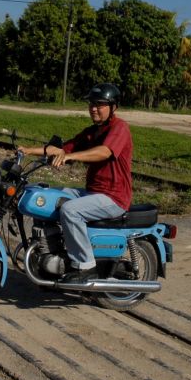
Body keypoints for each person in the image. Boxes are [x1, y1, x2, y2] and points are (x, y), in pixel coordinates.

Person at [18, 83, 133, 284]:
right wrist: (27, 150)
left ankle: (85, 266)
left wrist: (70, 156)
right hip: (93, 193)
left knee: (70, 211)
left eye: (100, 104)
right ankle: (51, 253)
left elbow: (104, 152)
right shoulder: (91, 132)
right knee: (46, 198)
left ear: (113, 106)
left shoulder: (119, 128)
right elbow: (61, 149)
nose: (93, 108)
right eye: (91, 104)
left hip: (114, 197)